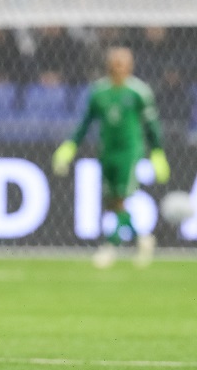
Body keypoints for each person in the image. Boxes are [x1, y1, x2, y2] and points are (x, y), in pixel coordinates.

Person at [52, 46, 170, 269]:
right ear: (108, 65)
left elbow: (151, 125)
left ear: (130, 66)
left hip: (130, 151)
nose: (118, 68)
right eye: (115, 63)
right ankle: (142, 238)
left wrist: (157, 152)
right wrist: (70, 147)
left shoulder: (139, 92)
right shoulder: (99, 92)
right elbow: (85, 123)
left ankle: (110, 245)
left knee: (121, 198)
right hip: (107, 151)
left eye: (123, 63)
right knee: (112, 202)